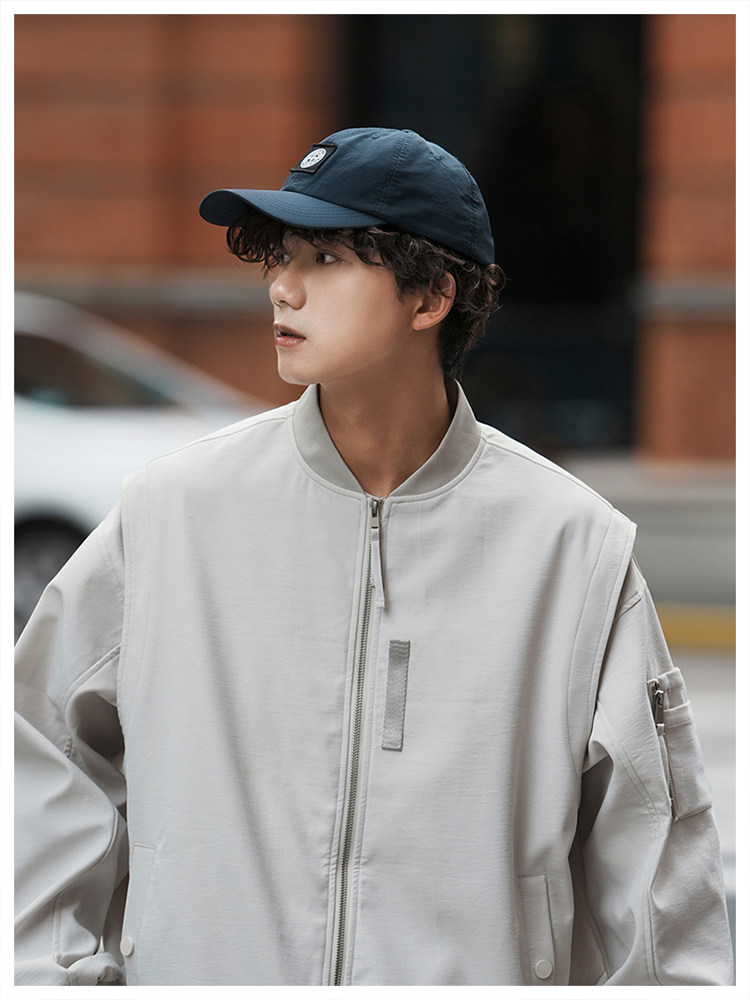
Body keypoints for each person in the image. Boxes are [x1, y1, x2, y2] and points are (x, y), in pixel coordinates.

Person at [14, 126, 733, 986]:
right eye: (282, 257)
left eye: (324, 259)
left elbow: (659, 877)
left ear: (430, 296)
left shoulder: (573, 545)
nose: (282, 287)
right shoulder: (171, 512)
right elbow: (41, 746)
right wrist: (50, 976)